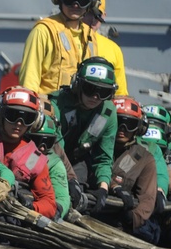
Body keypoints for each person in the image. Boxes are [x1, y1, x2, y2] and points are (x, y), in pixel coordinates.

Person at [0, 86, 59, 220]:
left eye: (27, 117)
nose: (19, 123)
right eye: (13, 115)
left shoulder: (36, 158)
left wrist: (30, 207)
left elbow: (49, 204)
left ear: (36, 121)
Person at [48, 56, 118, 215]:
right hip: (52, 158)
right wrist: (69, 179)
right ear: (77, 85)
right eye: (90, 89)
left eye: (103, 92)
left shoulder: (108, 113)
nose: (95, 97)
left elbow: (104, 158)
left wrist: (103, 188)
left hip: (79, 160)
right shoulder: (57, 104)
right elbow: (54, 148)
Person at [20, 0, 99, 95]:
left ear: (91, 3)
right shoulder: (43, 31)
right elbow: (29, 83)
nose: (76, 5)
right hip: (50, 109)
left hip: (82, 110)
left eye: (82, 0)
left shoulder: (90, 36)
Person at [106, 96, 160, 244]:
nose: (122, 130)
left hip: (119, 226)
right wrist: (113, 186)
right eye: (118, 122)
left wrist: (132, 217)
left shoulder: (144, 158)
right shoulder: (94, 147)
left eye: (129, 124)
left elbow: (147, 199)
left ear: (139, 127)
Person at [27, 113, 71, 220]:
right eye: (38, 141)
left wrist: (57, 211)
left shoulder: (55, 163)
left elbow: (62, 197)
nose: (42, 148)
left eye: (48, 142)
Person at [83, 0, 128, 96]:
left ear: (104, 16)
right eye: (89, 13)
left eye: (98, 16)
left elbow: (120, 93)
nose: (93, 20)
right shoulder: (69, 39)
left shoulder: (113, 49)